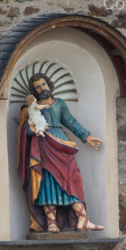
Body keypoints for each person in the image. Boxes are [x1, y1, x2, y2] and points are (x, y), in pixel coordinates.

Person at [17, 72, 104, 233]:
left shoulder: (60, 104)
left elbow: (70, 122)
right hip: (44, 145)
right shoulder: (31, 108)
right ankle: (51, 223)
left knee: (72, 178)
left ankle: (83, 220)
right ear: (34, 91)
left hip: (62, 144)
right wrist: (30, 130)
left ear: (49, 84)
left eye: (43, 84)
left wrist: (87, 137)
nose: (42, 88)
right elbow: (25, 129)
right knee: (48, 181)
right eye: (38, 87)